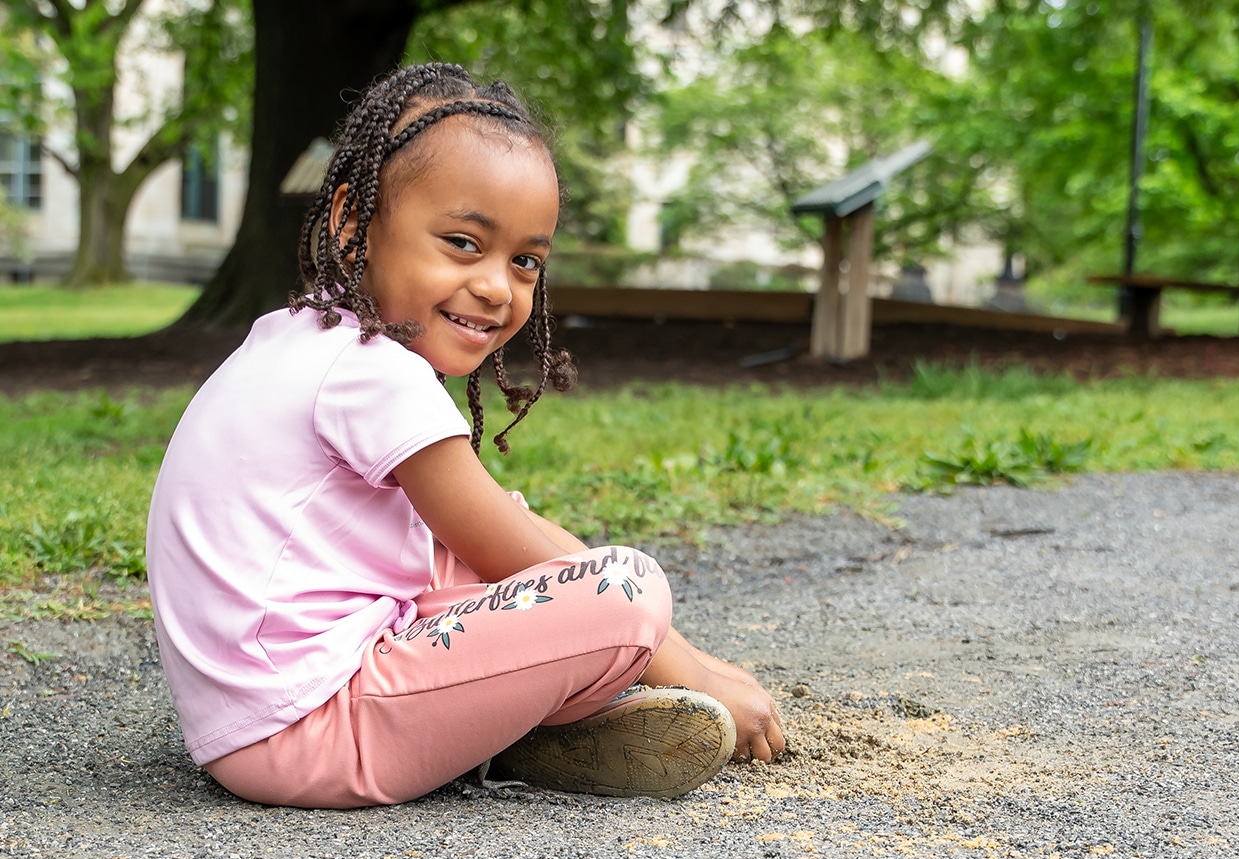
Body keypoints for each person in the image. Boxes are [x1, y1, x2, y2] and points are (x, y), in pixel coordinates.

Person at [144, 62, 786, 809]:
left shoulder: (303, 338)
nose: (496, 285)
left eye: (525, 261)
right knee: (625, 590)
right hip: (310, 729)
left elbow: (502, 537)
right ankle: (518, 727)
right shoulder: (372, 373)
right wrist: (693, 670)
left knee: (520, 558)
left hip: (257, 720)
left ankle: (515, 729)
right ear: (353, 222)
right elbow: (504, 550)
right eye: (461, 242)